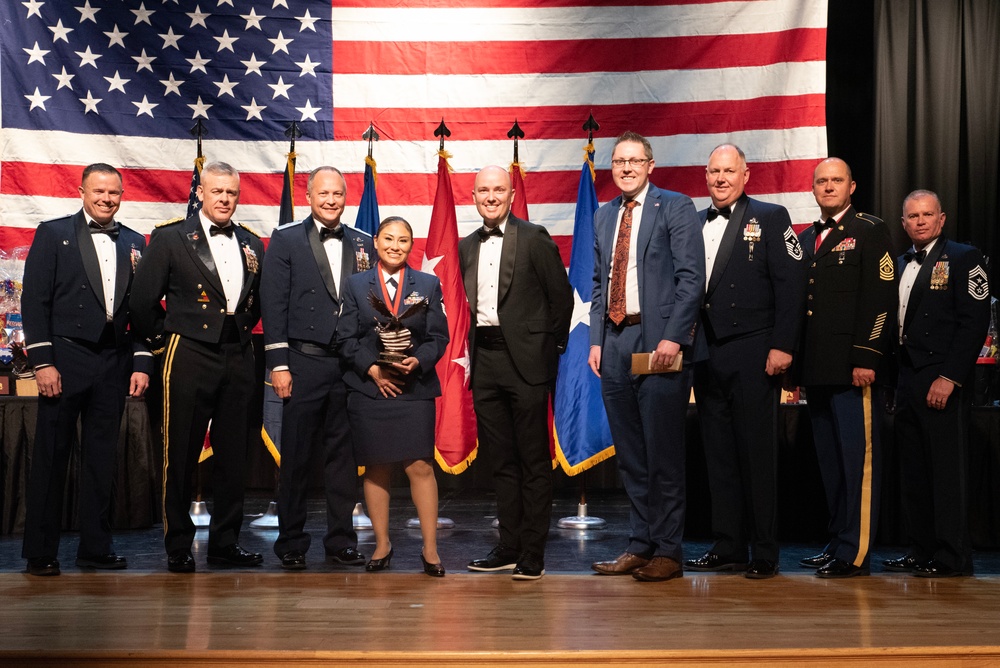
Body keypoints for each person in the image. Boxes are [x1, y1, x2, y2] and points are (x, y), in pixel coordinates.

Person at [130, 161, 265, 574]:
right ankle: (178, 545)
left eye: (232, 193)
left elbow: (255, 302)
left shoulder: (252, 242)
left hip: (239, 354)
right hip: (188, 354)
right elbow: (141, 302)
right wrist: (167, 342)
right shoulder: (171, 238)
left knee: (234, 456)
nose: (225, 199)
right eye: (218, 191)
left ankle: (225, 542)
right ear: (202, 193)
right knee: (181, 452)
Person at [20, 163, 152, 576]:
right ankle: (41, 551)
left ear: (122, 195)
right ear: (81, 191)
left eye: (113, 193)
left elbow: (142, 310)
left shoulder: (134, 241)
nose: (106, 199)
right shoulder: (53, 233)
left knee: (101, 460)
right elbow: (34, 302)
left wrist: (142, 361)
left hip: (113, 362)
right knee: (52, 457)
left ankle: (96, 547)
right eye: (98, 191)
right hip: (64, 359)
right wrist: (43, 362)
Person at [588, 131, 705, 582]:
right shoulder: (603, 216)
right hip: (615, 342)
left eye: (635, 161)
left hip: (659, 342)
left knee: (663, 453)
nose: (627, 168)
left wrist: (674, 338)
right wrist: (597, 340)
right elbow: (600, 283)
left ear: (651, 165)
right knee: (631, 456)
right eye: (619, 161)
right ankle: (641, 544)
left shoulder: (674, 206)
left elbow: (691, 279)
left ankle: (669, 551)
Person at [687, 144, 806, 579]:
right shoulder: (695, 223)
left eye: (728, 171)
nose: (720, 179)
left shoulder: (771, 218)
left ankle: (765, 551)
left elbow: (792, 284)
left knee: (757, 454)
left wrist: (783, 345)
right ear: (706, 175)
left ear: (746, 174)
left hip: (756, 351)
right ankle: (728, 544)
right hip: (707, 353)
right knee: (718, 454)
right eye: (714, 171)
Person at [459, 165, 573, 580]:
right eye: (483, 190)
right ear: (473, 196)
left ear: (510, 195)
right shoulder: (465, 245)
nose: (490, 196)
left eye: (498, 190)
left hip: (527, 361)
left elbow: (561, 300)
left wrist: (548, 351)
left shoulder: (534, 237)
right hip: (485, 360)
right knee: (501, 461)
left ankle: (532, 552)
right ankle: (508, 546)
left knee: (532, 460)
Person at [260, 166, 374, 570]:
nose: (331, 201)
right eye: (323, 194)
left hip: (347, 367)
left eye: (338, 194)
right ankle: (291, 541)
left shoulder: (364, 242)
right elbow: (272, 304)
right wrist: (278, 362)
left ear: (346, 197)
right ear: (308, 196)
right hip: (302, 362)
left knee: (344, 459)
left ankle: (341, 540)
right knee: (296, 458)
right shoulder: (286, 239)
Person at [796, 157, 897, 578]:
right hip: (817, 371)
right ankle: (838, 541)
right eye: (822, 181)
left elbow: (880, 300)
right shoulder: (805, 238)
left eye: (836, 180)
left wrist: (866, 357)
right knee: (832, 464)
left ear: (851, 186)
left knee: (859, 463)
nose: (829, 186)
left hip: (852, 369)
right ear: (813, 188)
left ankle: (855, 553)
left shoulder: (870, 231)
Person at [884, 189, 990, 578]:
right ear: (904, 223)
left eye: (928, 215)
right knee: (914, 471)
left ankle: (951, 556)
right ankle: (921, 548)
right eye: (913, 216)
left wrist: (950, 377)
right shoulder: (897, 263)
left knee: (946, 472)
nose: (921, 221)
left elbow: (974, 322)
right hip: (907, 378)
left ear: (942, 219)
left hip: (941, 377)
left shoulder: (964, 257)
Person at [337, 217, 449, 576]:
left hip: (414, 388)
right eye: (389, 239)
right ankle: (382, 544)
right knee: (377, 466)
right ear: (376, 241)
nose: (395, 246)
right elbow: (345, 338)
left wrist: (420, 360)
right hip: (369, 388)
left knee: (420, 466)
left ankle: (430, 550)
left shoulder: (428, 284)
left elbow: (438, 338)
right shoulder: (355, 285)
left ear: (411, 245)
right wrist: (372, 369)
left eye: (403, 240)